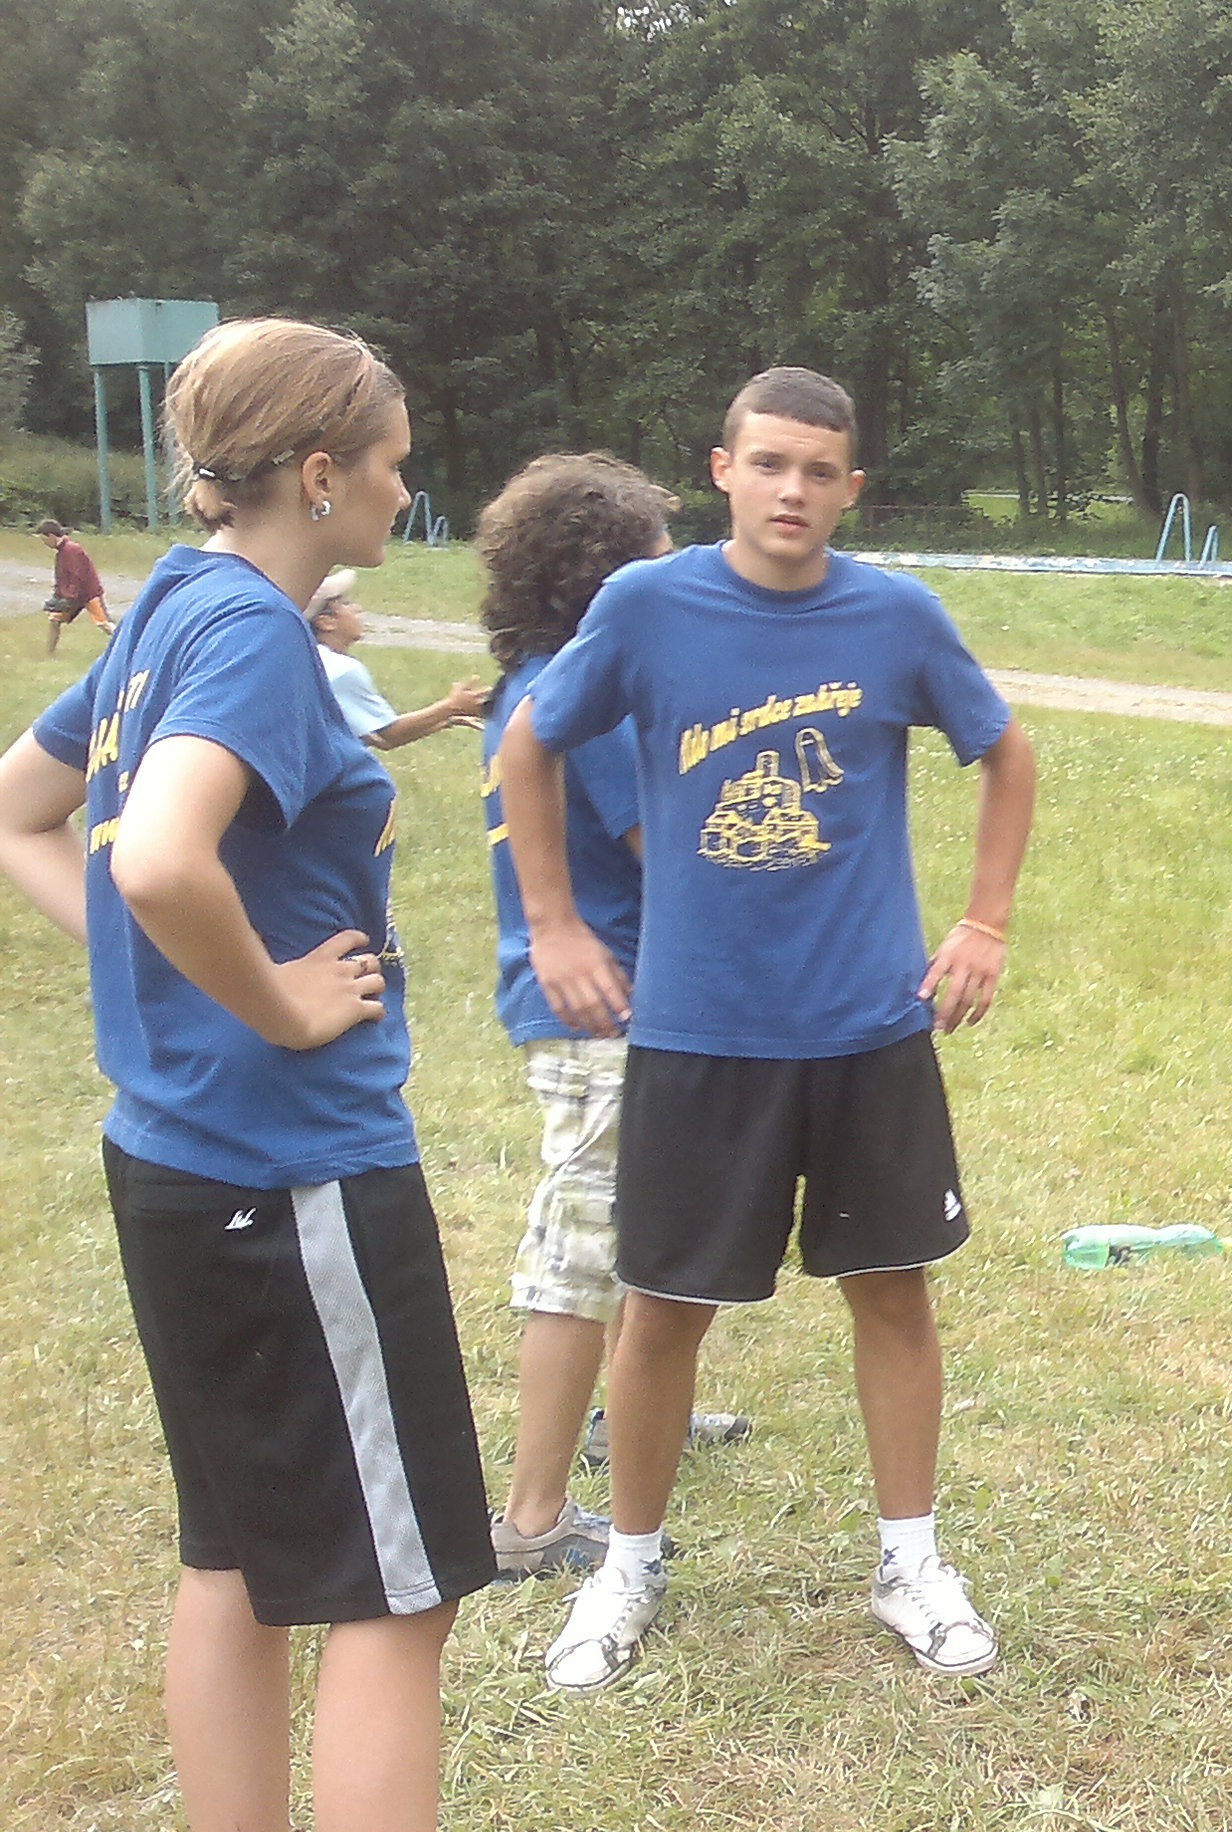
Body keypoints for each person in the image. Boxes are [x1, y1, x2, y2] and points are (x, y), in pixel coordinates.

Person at [0, 317, 494, 1832]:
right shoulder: (255, 635)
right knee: (395, 1596)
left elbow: (21, 811)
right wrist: (276, 1004)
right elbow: (155, 858)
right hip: (294, 1176)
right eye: (394, 463)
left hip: (175, 1162)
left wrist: (160, 971)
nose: (404, 489)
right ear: (321, 472)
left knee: (234, 1559)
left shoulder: (167, 605)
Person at [498, 365, 1037, 1692]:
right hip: (699, 1032)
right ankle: (628, 1566)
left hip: (865, 1027)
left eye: (819, 470)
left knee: (893, 1291)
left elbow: (1005, 752)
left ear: (852, 487)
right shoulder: (647, 606)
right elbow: (531, 742)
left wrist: (984, 921)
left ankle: (910, 1560)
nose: (792, 490)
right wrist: (556, 925)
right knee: (663, 1306)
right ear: (724, 470)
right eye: (769, 463)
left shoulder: (896, 616)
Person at [473, 452, 752, 1580]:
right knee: (582, 1244)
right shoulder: (583, 699)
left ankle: (628, 1407)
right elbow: (669, 854)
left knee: (644, 1221)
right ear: (602, 579)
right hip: (607, 1005)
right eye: (655, 565)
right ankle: (532, 1519)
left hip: (603, 999)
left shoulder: (538, 677)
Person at [308, 570, 489, 749]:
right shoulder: (341, 670)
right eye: (345, 604)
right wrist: (452, 706)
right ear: (326, 622)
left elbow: (381, 740)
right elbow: (390, 733)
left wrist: (447, 717)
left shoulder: (314, 659)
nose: (357, 608)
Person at [38, 518, 113, 654]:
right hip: (72, 597)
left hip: (88, 594)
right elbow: (62, 578)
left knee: (105, 624)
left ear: (51, 536)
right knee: (54, 620)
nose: (45, 544)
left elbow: (77, 576)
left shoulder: (72, 550)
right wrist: (57, 596)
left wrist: (69, 598)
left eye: (45, 540)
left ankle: (127, 647)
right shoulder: (61, 552)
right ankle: (49, 654)